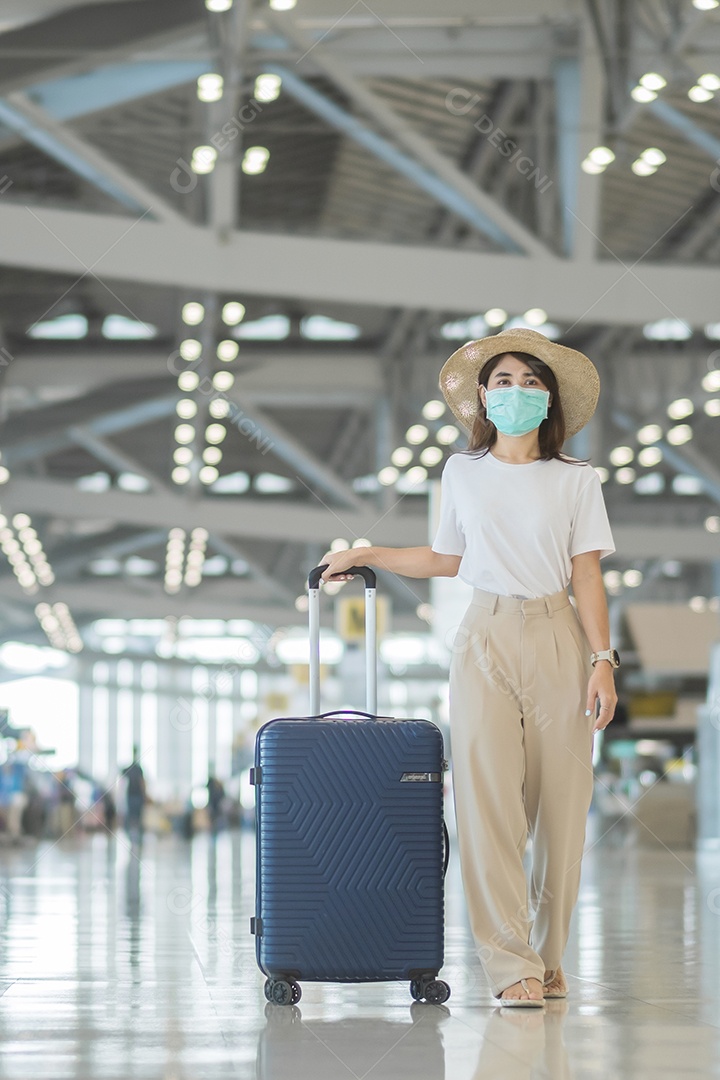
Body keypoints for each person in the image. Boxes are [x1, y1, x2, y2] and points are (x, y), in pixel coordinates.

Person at [320, 328, 618, 1008]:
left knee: (562, 813)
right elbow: (446, 558)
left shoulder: (576, 480)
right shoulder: (461, 472)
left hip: (557, 637)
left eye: (531, 382)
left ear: (551, 400)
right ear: (484, 396)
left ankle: (547, 957)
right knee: (488, 809)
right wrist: (367, 551)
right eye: (504, 381)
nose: (517, 392)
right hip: (482, 636)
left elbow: (588, 576)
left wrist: (604, 661)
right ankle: (510, 963)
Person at [122, 747, 146, 838]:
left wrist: (144, 795)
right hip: (132, 795)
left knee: (136, 815)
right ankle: (133, 832)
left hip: (136, 796)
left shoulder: (138, 769)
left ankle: (135, 832)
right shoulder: (131, 768)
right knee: (133, 815)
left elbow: (142, 782)